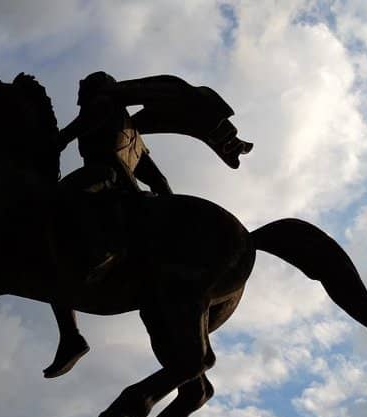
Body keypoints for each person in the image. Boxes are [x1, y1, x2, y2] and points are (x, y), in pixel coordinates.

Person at [43, 71, 253, 378]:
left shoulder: (100, 104)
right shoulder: (134, 134)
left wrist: (56, 140)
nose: (79, 94)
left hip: (101, 180)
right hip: (128, 191)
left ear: (93, 88)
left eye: (83, 87)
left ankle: (71, 334)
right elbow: (158, 179)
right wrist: (165, 208)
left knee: (51, 216)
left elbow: (75, 132)